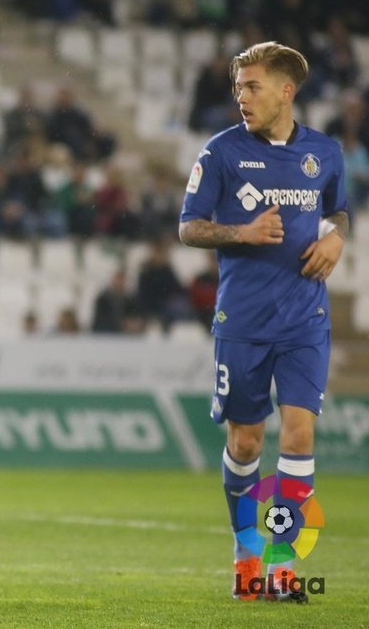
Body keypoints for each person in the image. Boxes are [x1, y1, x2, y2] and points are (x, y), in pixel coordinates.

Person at [179, 42, 348, 602]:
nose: (241, 97)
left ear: (285, 91)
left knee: (299, 435)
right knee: (248, 443)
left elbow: (338, 207)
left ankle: (280, 566)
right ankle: (246, 551)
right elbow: (189, 227)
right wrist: (242, 234)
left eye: (251, 87)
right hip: (244, 320)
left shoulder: (324, 153)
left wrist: (337, 237)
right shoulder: (222, 152)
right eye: (237, 88)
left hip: (305, 317)